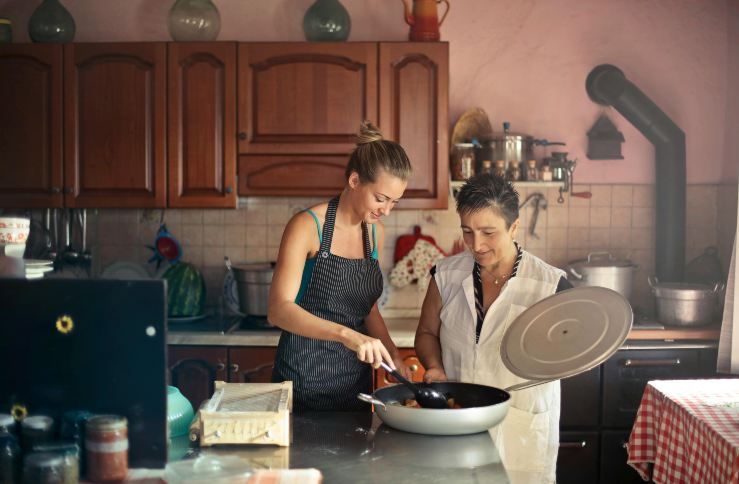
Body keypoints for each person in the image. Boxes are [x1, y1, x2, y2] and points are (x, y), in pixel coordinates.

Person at [415, 173, 572, 483]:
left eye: (488, 232)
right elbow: (426, 333)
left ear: (514, 227)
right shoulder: (445, 275)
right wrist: (434, 366)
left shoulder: (550, 285)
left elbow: (572, 354)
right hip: (457, 424)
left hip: (521, 430)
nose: (476, 244)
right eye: (467, 232)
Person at [268, 121, 413, 411]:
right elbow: (278, 310)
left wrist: (393, 354)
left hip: (355, 386)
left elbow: (368, 308)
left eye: (394, 202)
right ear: (355, 181)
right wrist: (347, 335)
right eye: (381, 198)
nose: (386, 210)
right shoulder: (307, 226)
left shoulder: (374, 232)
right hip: (302, 381)